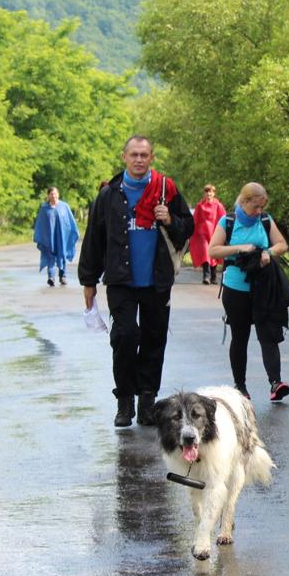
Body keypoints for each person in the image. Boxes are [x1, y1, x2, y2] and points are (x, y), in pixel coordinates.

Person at [78, 136, 194, 428]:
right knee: (125, 336)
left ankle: (147, 402)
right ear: (124, 157)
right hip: (121, 279)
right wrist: (88, 281)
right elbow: (94, 238)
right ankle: (124, 400)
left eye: (144, 155)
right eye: (134, 155)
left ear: (151, 157)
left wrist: (170, 220)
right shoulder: (109, 195)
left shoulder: (166, 190)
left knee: (155, 339)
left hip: (157, 280)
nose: (139, 159)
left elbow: (188, 230)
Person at [207, 182, 289, 402]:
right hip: (236, 287)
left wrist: (269, 252)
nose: (259, 211)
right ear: (244, 202)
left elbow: (282, 244)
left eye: (262, 207)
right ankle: (240, 386)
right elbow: (213, 249)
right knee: (240, 336)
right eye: (256, 207)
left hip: (263, 286)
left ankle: (276, 382)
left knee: (268, 333)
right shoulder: (228, 222)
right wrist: (239, 248)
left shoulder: (265, 220)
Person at [34, 186, 80, 287]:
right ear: (48, 196)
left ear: (58, 195)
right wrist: (42, 236)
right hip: (49, 239)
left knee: (62, 255)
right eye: (51, 194)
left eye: (55, 194)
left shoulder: (64, 206)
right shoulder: (44, 208)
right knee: (50, 256)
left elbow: (70, 222)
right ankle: (51, 277)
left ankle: (62, 276)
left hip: (62, 238)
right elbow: (41, 224)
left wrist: (72, 233)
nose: (53, 196)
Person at [191, 184, 227, 285]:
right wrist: (191, 231)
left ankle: (214, 277)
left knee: (214, 254)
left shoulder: (218, 205)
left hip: (214, 233)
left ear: (214, 193)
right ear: (204, 193)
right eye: (207, 191)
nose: (209, 194)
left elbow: (223, 218)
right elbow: (194, 220)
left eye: (211, 191)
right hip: (202, 234)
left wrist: (224, 232)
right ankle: (206, 276)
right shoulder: (200, 206)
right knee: (205, 254)